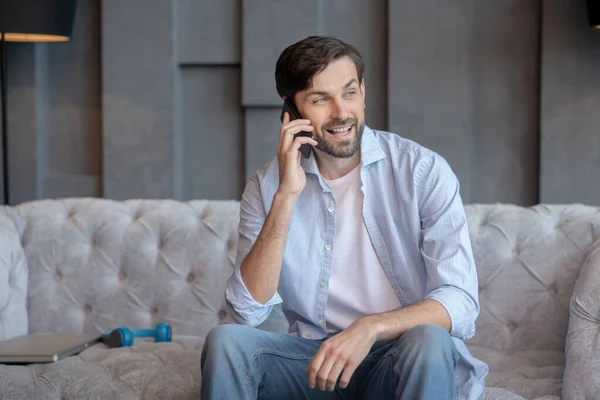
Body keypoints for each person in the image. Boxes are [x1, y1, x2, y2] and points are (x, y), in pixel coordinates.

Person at [201, 35, 488, 400]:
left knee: (430, 339)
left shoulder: (423, 170)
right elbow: (246, 311)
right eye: (321, 99)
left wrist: (369, 329)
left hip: (399, 356)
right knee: (226, 341)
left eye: (349, 93)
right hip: (314, 363)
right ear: (291, 112)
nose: (341, 112)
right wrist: (287, 195)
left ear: (363, 92)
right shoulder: (267, 186)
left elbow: (460, 303)